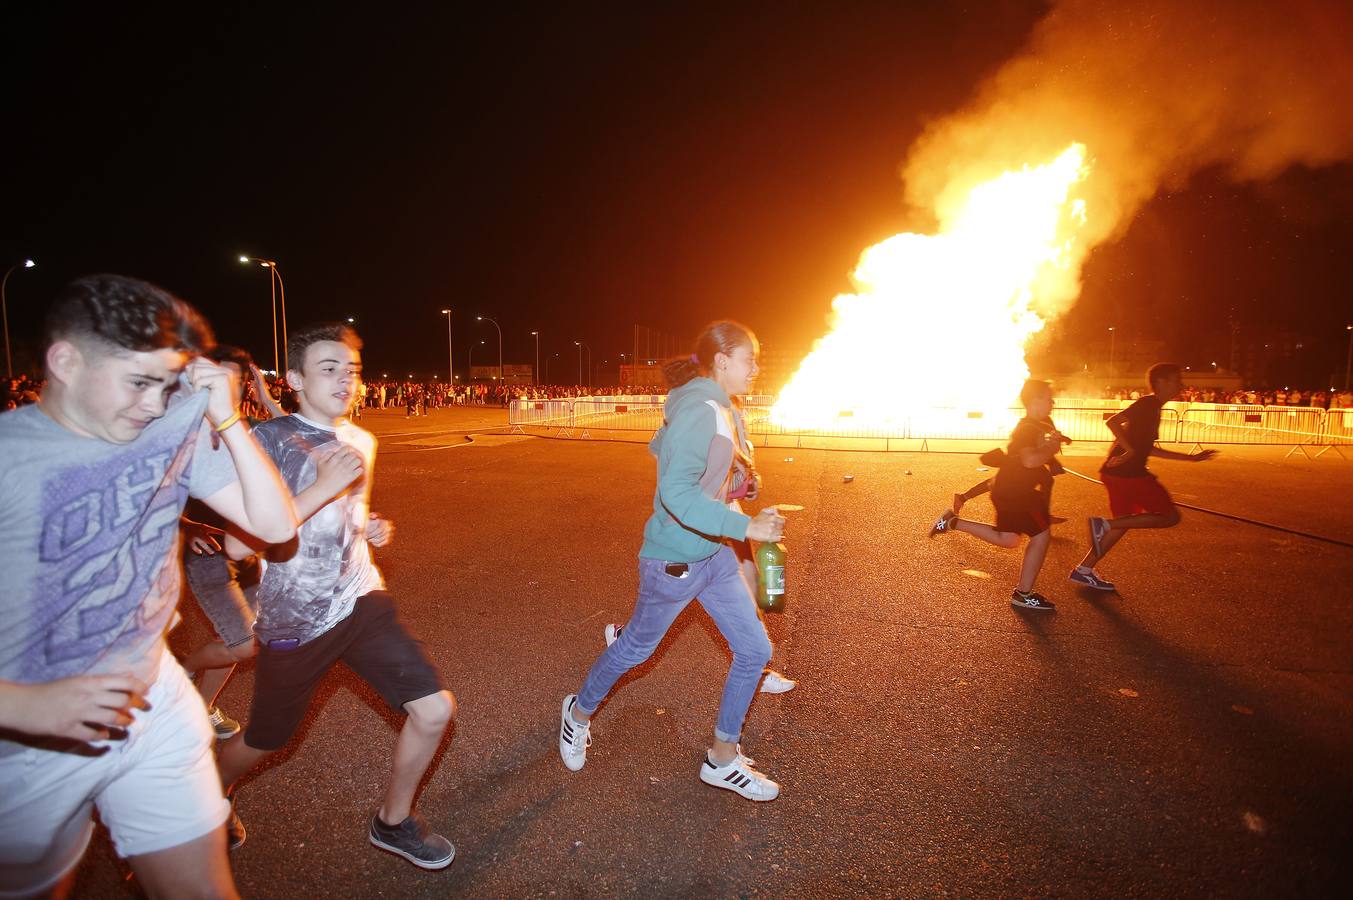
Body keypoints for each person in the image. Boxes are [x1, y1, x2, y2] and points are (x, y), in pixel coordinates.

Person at [0, 274, 296, 900]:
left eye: (168, 385)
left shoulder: (169, 430)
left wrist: (226, 419)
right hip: (23, 734)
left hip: (151, 695)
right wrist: (24, 707)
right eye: (139, 381)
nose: (155, 405)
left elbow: (273, 524)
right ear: (65, 361)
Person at [215, 323, 457, 869]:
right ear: (295, 379)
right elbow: (235, 543)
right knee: (264, 740)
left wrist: (368, 524)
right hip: (294, 621)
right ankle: (211, 794)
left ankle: (391, 823)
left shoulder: (361, 440)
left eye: (352, 370)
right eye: (329, 369)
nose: (346, 380)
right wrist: (321, 488)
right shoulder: (266, 442)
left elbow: (345, 514)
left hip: (359, 600)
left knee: (434, 711)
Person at [559, 321, 787, 801]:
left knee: (755, 651)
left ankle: (722, 759)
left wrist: (734, 485)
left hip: (713, 554)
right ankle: (577, 713)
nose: (756, 368)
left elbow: (664, 451)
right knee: (635, 651)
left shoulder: (721, 408)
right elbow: (675, 491)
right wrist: (746, 526)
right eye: (749, 359)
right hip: (674, 560)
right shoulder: (702, 410)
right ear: (722, 362)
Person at [603, 395, 797, 695]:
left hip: (728, 518)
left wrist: (750, 483)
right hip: (699, 524)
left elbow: (744, 481)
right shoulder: (700, 421)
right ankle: (626, 637)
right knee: (671, 605)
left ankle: (756, 665)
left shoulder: (736, 428)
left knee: (746, 583)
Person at [178, 344, 278, 740]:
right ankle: (182, 673)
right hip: (208, 556)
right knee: (244, 643)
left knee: (235, 639)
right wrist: (187, 526)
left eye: (233, 379)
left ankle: (200, 709)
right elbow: (144, 497)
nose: (223, 388)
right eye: (213, 378)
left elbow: (302, 431)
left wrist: (265, 394)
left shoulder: (250, 431)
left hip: (249, 551)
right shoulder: (180, 434)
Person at [1070, 363, 1218, 589]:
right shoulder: (1148, 404)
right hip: (1129, 475)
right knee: (1170, 517)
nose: (1181, 384)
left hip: (1115, 473)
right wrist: (1129, 451)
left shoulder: (1154, 408)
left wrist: (1191, 458)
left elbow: (1148, 448)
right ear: (1161, 382)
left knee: (1123, 522)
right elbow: (1113, 421)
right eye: (1176, 379)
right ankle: (1103, 526)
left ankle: (1084, 569)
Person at [929, 380, 1064, 611]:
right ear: (1035, 401)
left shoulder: (1037, 425)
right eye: (1048, 398)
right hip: (1017, 493)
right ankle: (1023, 594)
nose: (1053, 402)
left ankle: (952, 521)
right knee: (1041, 536)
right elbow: (1030, 460)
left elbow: (1036, 456)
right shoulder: (1027, 429)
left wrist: (1053, 446)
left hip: (1009, 490)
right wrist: (1050, 448)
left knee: (1009, 539)